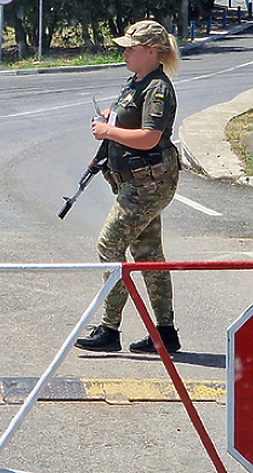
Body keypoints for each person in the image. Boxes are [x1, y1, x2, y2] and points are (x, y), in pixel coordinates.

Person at [74, 19, 182, 354]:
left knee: (109, 247)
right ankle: (165, 333)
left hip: (147, 183)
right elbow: (130, 116)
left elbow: (150, 137)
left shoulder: (158, 88)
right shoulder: (138, 81)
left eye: (130, 49)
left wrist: (108, 133)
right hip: (137, 181)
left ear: (151, 51)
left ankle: (109, 329)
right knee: (148, 255)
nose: (124, 53)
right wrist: (112, 116)